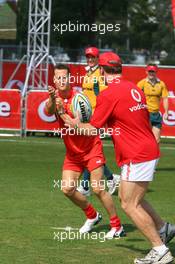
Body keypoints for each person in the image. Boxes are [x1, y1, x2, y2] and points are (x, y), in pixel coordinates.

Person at [64, 52, 175, 264]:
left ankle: (160, 250)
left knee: (129, 204)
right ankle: (163, 228)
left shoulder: (109, 94)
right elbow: (125, 120)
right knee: (131, 197)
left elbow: (93, 129)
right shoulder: (134, 87)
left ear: (103, 71)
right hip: (146, 149)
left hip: (137, 154)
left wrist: (74, 123)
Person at [45, 63, 125, 239]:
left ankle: (117, 226)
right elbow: (47, 111)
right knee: (67, 189)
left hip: (91, 149)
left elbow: (84, 124)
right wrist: (52, 99)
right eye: (58, 77)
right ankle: (92, 215)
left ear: (69, 78)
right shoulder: (54, 97)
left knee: (97, 189)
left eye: (64, 77)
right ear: (54, 80)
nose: (61, 80)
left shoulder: (79, 98)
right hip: (73, 154)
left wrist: (65, 114)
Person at [78, 46, 120, 196]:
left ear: (97, 59)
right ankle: (110, 178)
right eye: (88, 57)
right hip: (87, 116)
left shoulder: (99, 73)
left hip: (96, 118)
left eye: (92, 57)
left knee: (88, 150)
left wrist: (98, 117)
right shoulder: (88, 72)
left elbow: (103, 96)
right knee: (90, 151)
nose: (90, 59)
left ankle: (86, 186)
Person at [137, 64, 169, 143]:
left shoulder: (161, 84)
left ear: (156, 72)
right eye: (149, 71)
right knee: (146, 139)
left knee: (156, 140)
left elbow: (165, 98)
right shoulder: (142, 83)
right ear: (146, 72)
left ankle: (155, 155)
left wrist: (166, 112)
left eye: (153, 71)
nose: (151, 73)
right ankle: (144, 155)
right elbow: (135, 97)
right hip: (145, 113)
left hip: (156, 114)